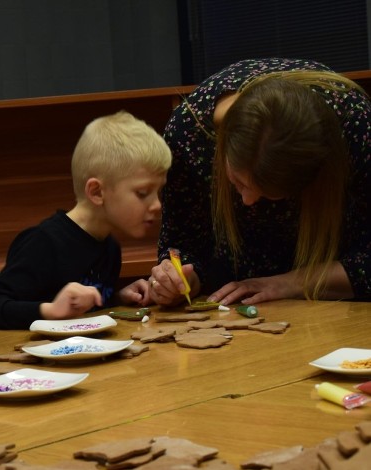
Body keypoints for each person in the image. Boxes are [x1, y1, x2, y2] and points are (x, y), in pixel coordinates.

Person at [151, 58, 371, 307]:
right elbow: (181, 245)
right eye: (239, 183)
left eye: (271, 194)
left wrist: (289, 283)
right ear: (222, 144)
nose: (247, 201)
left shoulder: (355, 125)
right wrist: (181, 280)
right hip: (234, 302)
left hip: (332, 302)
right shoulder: (188, 134)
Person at [0, 111, 170, 330]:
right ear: (96, 192)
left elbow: (84, 311)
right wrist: (50, 310)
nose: (157, 205)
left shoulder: (110, 248)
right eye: (143, 193)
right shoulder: (43, 243)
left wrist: (116, 298)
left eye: (158, 192)